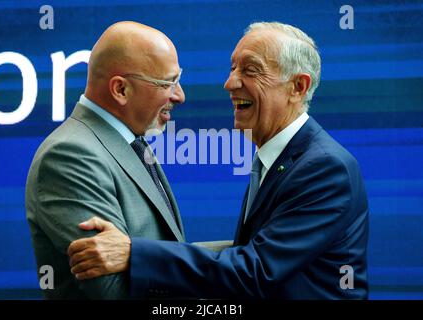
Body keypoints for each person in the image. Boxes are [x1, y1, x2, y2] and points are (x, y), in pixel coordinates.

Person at [68, 21, 369, 299]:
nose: (230, 82)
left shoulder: (325, 168)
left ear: (298, 87)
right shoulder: (276, 155)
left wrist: (134, 255)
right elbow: (248, 253)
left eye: (250, 70)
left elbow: (256, 270)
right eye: (233, 68)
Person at [25, 21, 186, 299]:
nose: (179, 95)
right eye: (167, 83)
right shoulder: (70, 155)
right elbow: (112, 292)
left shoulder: (128, 142)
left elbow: (171, 253)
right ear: (121, 90)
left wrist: (250, 261)